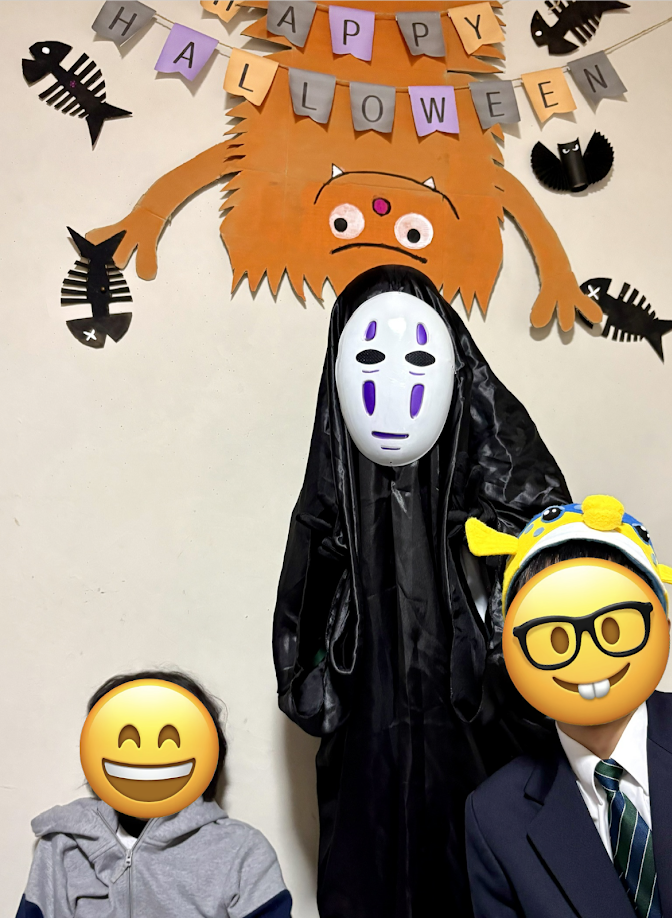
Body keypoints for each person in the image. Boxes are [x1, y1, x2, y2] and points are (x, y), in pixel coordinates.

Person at [273, 264, 572, 918]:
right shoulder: (338, 473)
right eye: (370, 359)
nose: (394, 382)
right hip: (372, 716)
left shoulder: (493, 445)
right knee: (378, 861)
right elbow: (306, 601)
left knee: (487, 867)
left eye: (415, 358)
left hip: (476, 714)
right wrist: (334, 665)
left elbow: (547, 549)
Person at [464, 495, 672, 918]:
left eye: (613, 628)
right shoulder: (494, 816)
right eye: (555, 638)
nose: (588, 656)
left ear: (661, 627)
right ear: (513, 654)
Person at [16, 670, 292, 918]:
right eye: (125, 739)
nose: (145, 754)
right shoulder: (61, 846)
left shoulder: (242, 850)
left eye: (169, 739)